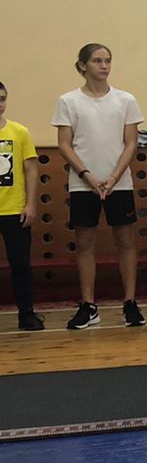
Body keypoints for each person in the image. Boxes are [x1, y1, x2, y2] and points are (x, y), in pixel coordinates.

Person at [53, 43, 145, 330]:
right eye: (97, 61)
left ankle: (130, 302)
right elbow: (64, 144)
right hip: (83, 185)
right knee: (84, 243)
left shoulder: (125, 100)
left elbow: (131, 142)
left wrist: (114, 177)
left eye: (108, 60)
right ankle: (88, 305)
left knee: (126, 242)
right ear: (83, 65)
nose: (104, 66)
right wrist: (87, 176)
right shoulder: (68, 101)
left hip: (120, 183)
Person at [0, 80, 44, 330]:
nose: (0, 104)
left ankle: (26, 313)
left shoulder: (19, 132)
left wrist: (31, 204)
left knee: (21, 265)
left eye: (2, 99)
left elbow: (31, 170)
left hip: (14, 211)